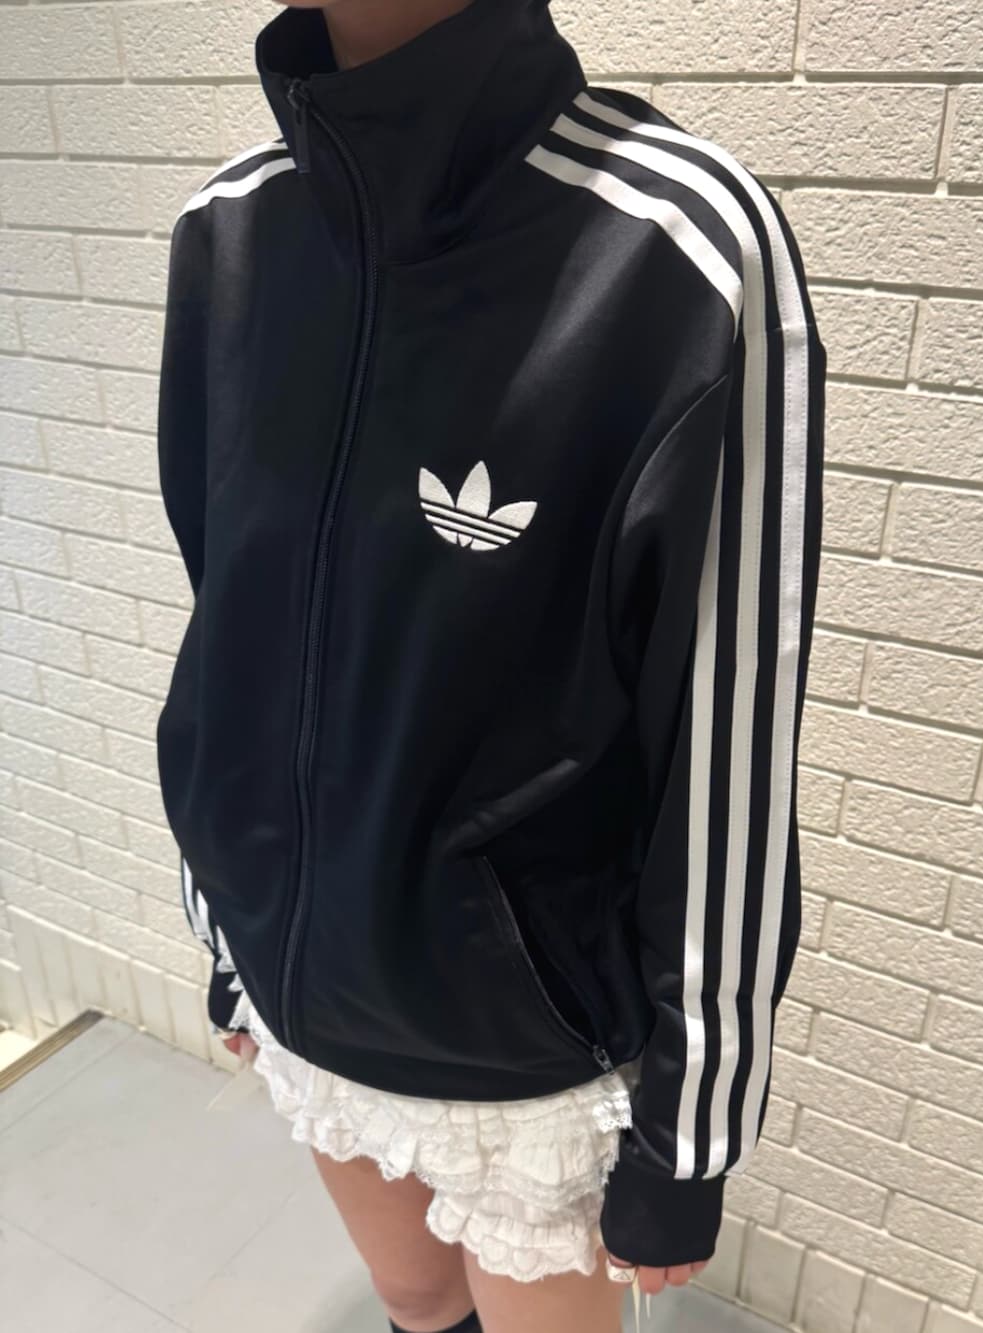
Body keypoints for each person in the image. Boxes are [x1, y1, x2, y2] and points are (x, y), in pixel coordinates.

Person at [155, 0, 827, 1330]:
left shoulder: (675, 245)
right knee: (413, 1297)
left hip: (522, 1040)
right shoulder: (229, 229)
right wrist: (227, 922)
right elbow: (223, 619)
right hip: (301, 981)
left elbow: (732, 727)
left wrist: (691, 1124)